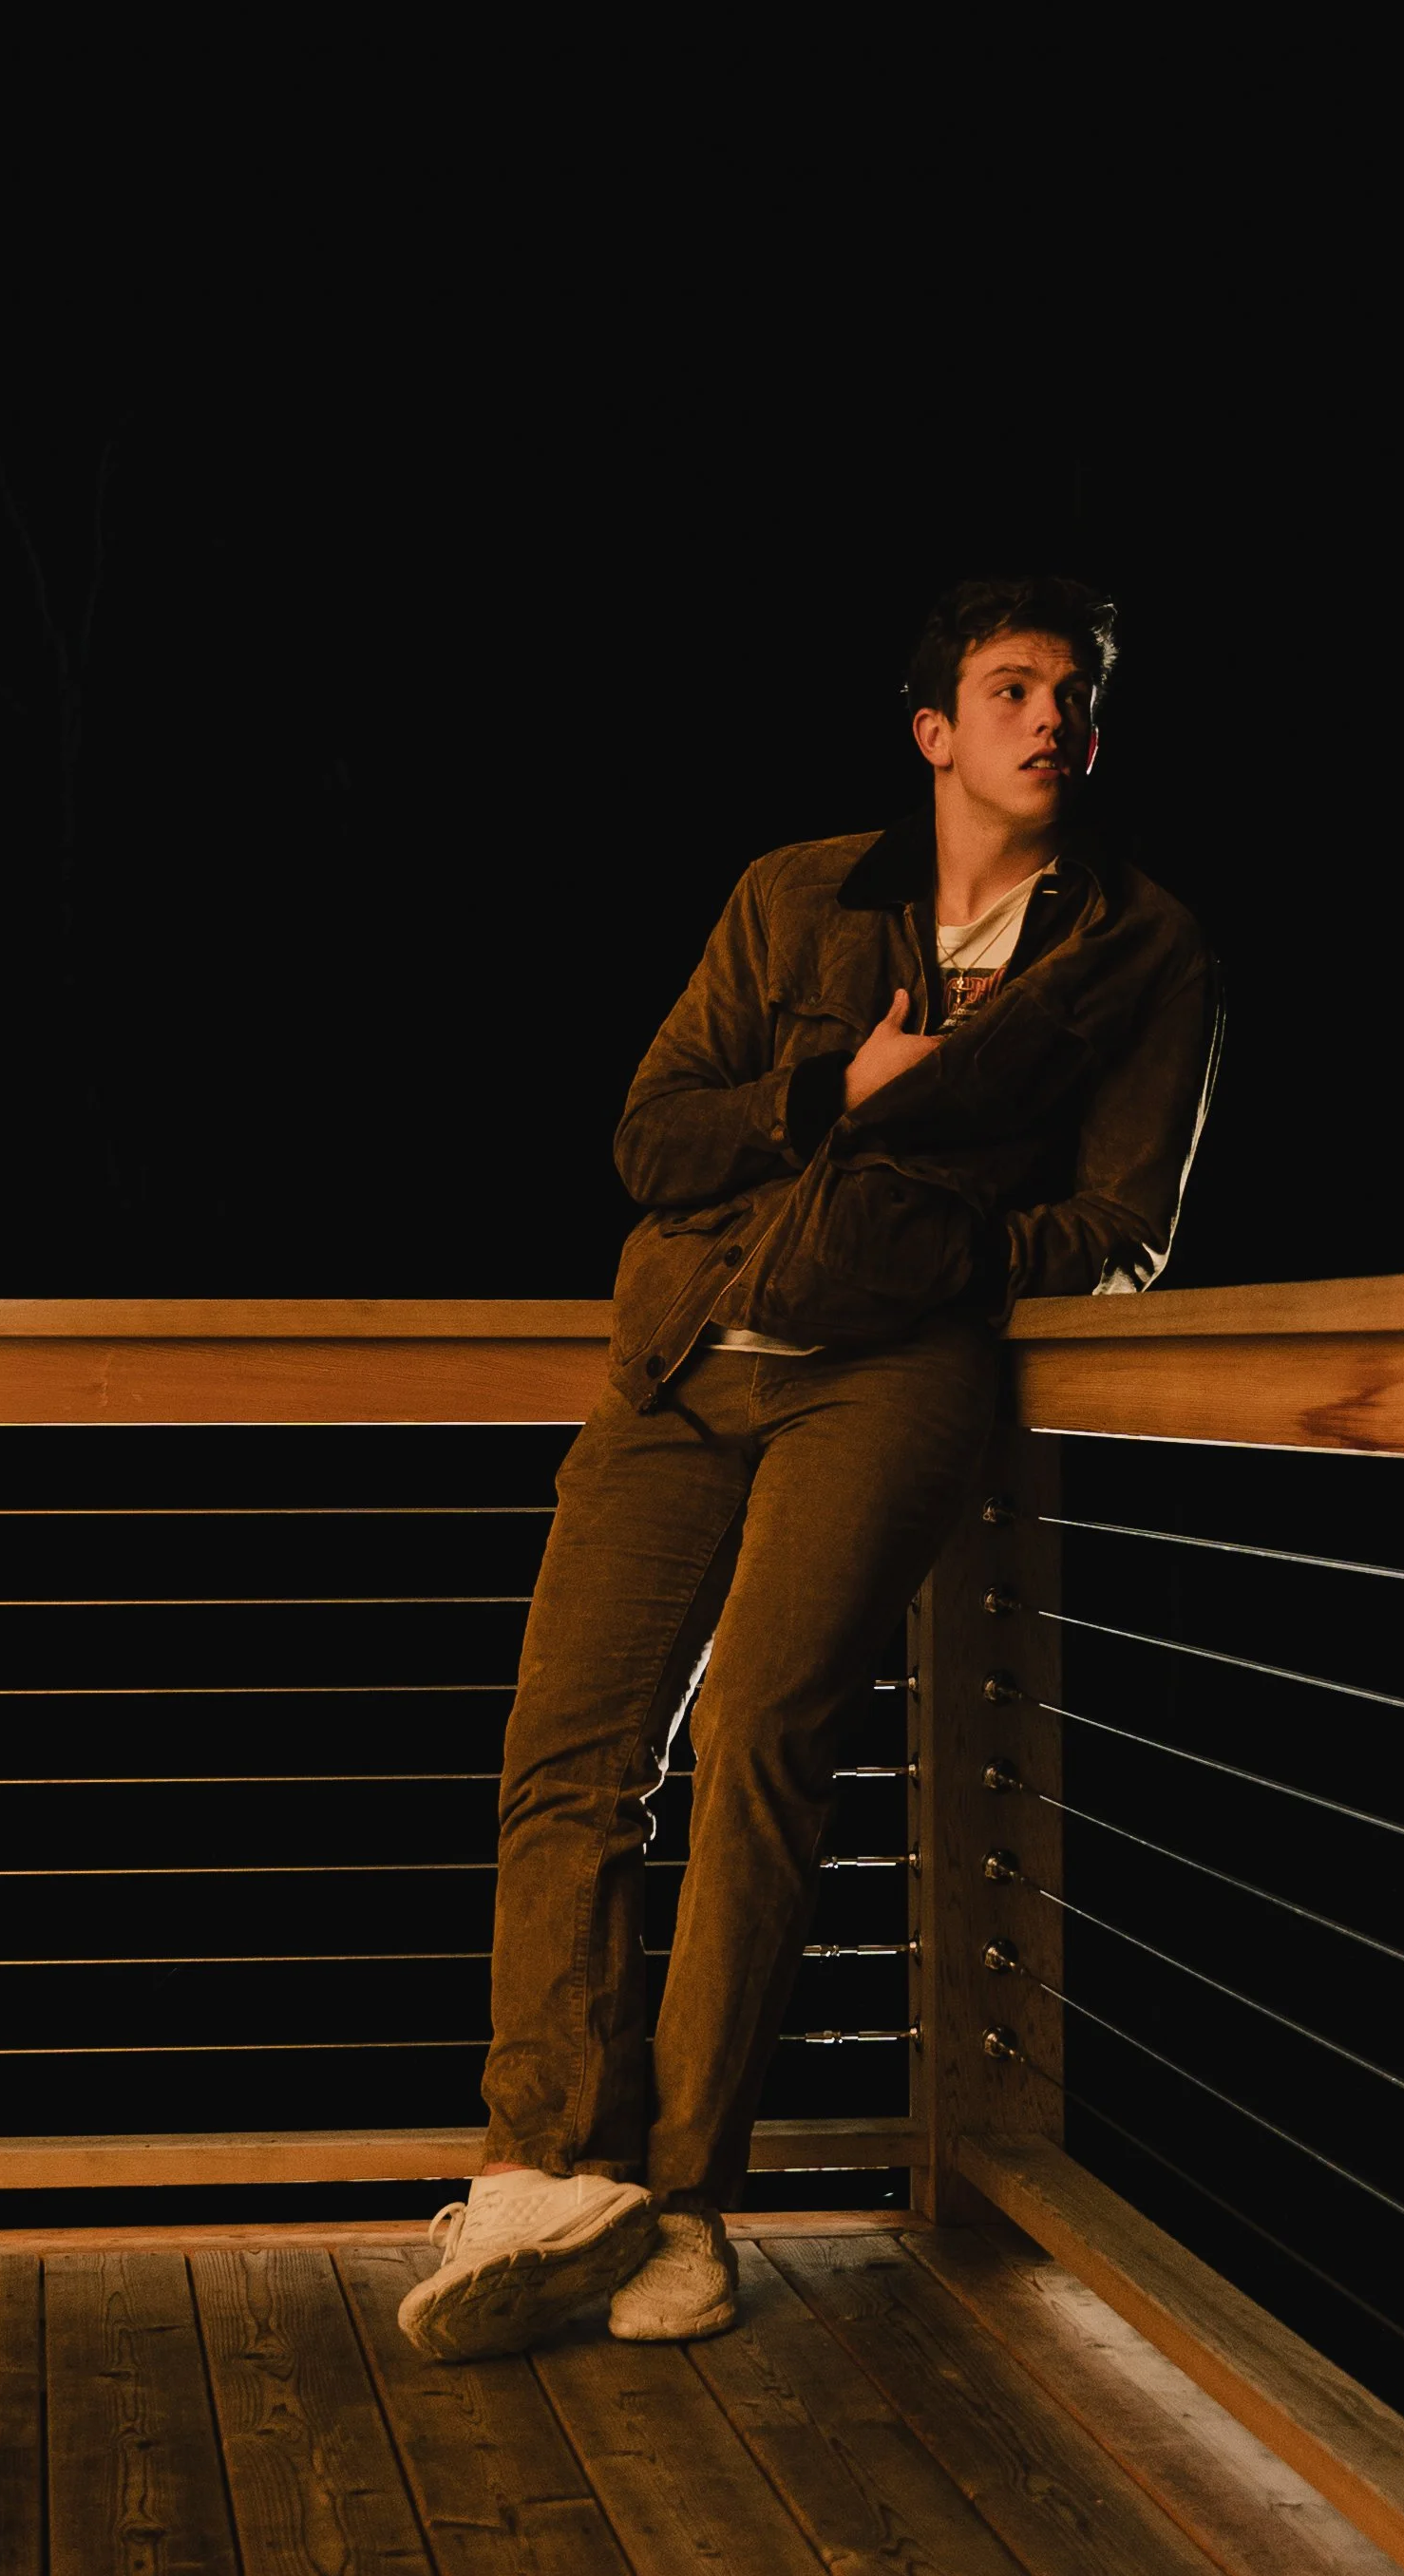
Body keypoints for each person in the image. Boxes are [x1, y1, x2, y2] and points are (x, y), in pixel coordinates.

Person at [398, 573, 1220, 2359]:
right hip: (685, 1359)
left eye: (1078, 692)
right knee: (566, 1753)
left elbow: (1120, 1229)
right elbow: (651, 1133)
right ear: (935, 731)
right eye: (1012, 687)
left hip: (889, 1380)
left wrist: (934, 1240)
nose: (1053, 716)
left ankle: (688, 2202)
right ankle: (548, 2175)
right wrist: (832, 1091)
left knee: (759, 1742)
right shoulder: (795, 896)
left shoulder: (1138, 948)